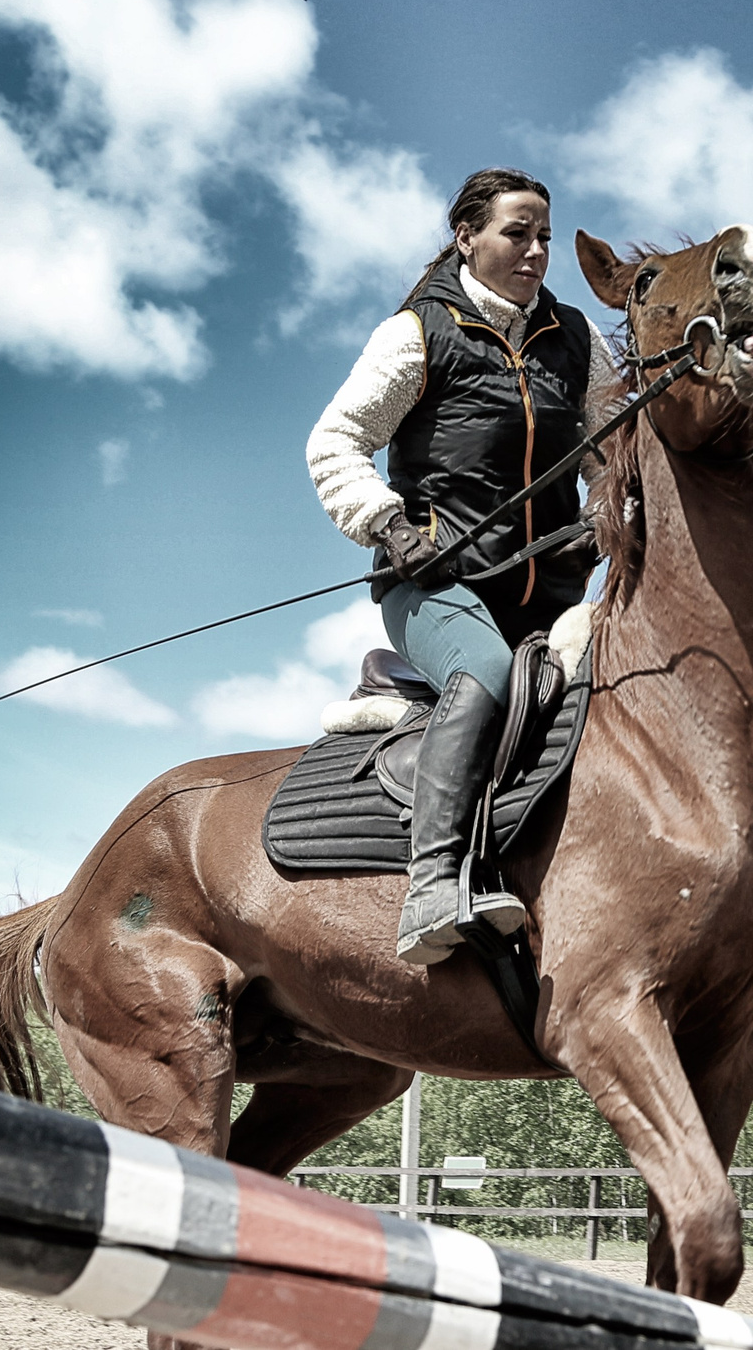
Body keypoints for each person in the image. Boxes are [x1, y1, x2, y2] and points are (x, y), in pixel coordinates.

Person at [306, 168, 615, 965]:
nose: (538, 251)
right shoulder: (418, 332)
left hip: (549, 592)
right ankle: (433, 884)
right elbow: (334, 442)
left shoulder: (576, 339)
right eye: (518, 232)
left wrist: (603, 515)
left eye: (546, 235)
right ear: (466, 236)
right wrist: (390, 525)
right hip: (434, 585)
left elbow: (615, 453)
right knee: (483, 668)